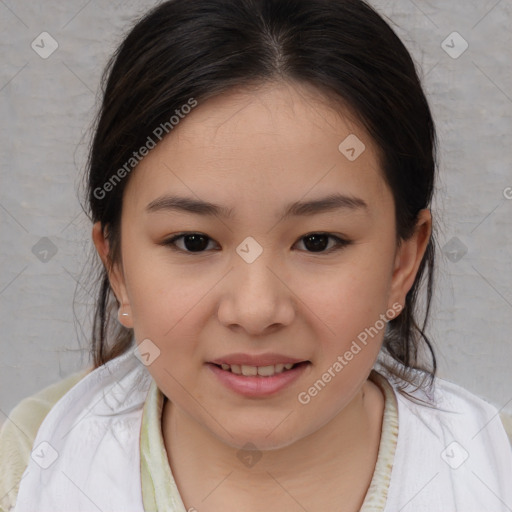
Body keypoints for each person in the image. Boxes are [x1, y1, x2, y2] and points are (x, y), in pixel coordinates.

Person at [1, 0, 511, 511]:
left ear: (403, 261)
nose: (256, 310)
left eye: (318, 241)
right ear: (117, 266)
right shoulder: (27, 470)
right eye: (194, 241)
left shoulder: (494, 471)